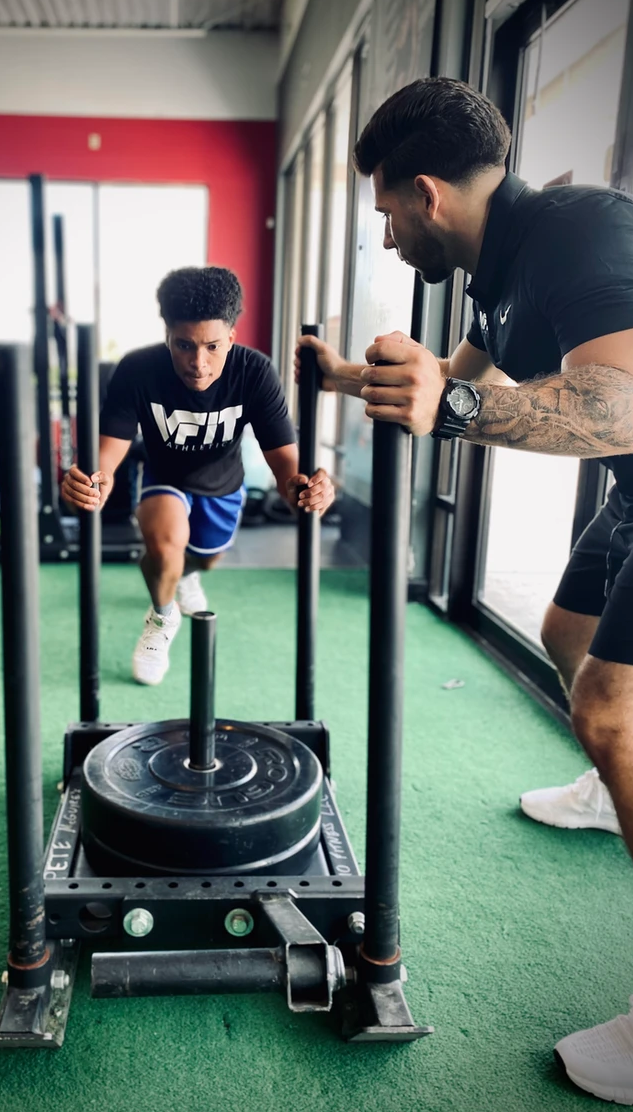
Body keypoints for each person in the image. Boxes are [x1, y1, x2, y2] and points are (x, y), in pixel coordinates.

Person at [296, 76, 633, 1103]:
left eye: (386, 213)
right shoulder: (496, 266)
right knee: (564, 631)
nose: (388, 236)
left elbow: (615, 404)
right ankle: (610, 794)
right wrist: (347, 377)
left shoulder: (580, 232)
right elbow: (457, 375)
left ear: (427, 192)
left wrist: (448, 410)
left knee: (606, 709)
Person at [63, 265, 334, 686]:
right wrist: (89, 483)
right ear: (167, 334)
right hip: (164, 478)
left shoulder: (255, 372)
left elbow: (286, 468)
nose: (198, 363)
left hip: (222, 484)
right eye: (184, 345)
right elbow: (106, 460)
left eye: (212, 346)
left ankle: (183, 574)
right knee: (167, 545)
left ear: (231, 337)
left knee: (203, 560)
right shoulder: (138, 369)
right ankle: (162, 618)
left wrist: (309, 488)